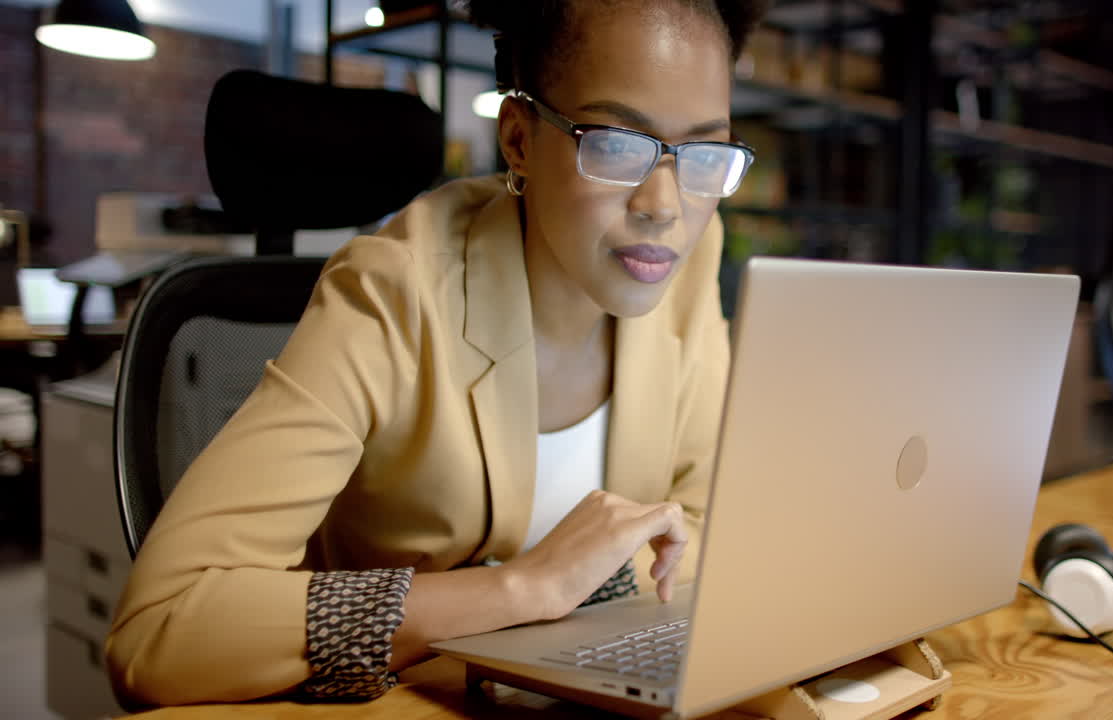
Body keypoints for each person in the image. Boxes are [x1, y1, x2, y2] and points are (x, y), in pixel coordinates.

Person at [106, 0, 768, 706]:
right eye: (615, 143)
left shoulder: (683, 263)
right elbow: (162, 629)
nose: (665, 205)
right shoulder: (392, 292)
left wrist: (588, 582)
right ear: (518, 140)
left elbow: (705, 530)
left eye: (704, 154)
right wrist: (522, 589)